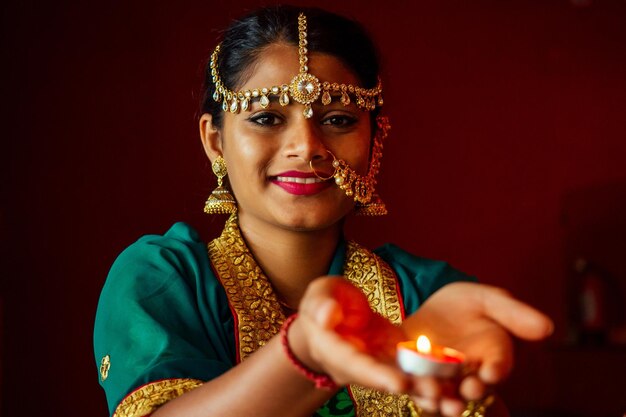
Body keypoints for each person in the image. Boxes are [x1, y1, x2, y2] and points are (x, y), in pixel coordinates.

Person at [93, 6, 553, 417]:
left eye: (338, 120)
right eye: (267, 118)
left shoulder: (426, 297)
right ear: (215, 140)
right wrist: (305, 354)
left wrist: (477, 399)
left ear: (375, 139)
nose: (306, 148)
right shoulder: (163, 280)